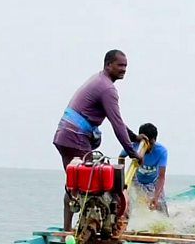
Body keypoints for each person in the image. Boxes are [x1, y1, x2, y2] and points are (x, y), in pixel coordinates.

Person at [53, 49, 141, 230]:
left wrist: (133, 137)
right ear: (108, 65)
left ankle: (69, 228)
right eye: (120, 65)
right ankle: (92, 228)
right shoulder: (107, 88)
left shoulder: (99, 80)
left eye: (126, 66)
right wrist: (133, 153)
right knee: (95, 182)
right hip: (75, 136)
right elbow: (116, 124)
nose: (123, 69)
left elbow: (116, 120)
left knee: (74, 184)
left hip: (64, 135)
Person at [119, 123, 169, 214]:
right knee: (128, 207)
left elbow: (161, 177)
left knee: (162, 211)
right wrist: (122, 178)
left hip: (153, 182)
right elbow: (121, 157)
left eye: (151, 143)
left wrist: (156, 197)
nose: (148, 147)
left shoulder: (161, 151)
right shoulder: (134, 146)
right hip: (136, 180)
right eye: (146, 143)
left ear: (155, 140)